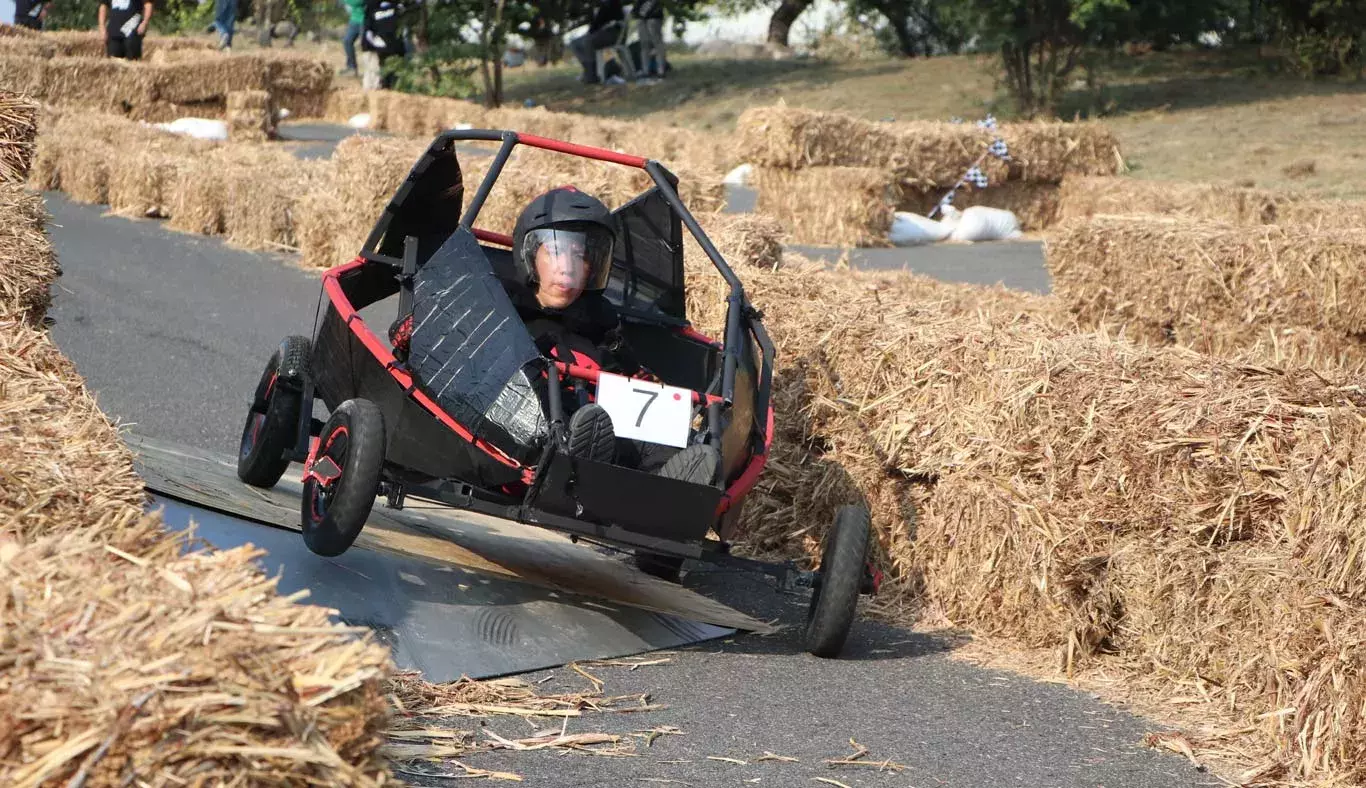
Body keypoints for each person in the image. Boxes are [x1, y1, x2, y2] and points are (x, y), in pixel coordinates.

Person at [389, 188, 721, 486]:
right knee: (551, 390)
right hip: (514, 436)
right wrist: (419, 327)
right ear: (531, 255)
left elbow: (634, 377)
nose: (568, 267)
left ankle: (665, 487)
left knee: (649, 420)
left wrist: (670, 406)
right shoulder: (497, 302)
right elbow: (427, 338)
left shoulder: (600, 320)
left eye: (580, 256)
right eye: (557, 253)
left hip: (595, 427)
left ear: (594, 267)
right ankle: (573, 454)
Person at [568, 0, 624, 84]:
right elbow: (594, 24)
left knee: (588, 42)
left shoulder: (613, 3)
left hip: (611, 33)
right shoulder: (596, 4)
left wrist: (592, 31)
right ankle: (588, 70)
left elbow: (604, 21)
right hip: (597, 33)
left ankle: (592, 75)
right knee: (574, 43)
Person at [632, 0, 667, 78]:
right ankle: (646, 71)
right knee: (644, 44)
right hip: (640, 16)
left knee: (657, 43)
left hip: (654, 15)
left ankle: (661, 70)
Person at [341, 0, 364, 75]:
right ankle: (351, 67)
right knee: (347, 41)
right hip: (355, 18)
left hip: (365, 19)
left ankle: (373, 71)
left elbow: (358, 2)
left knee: (366, 45)